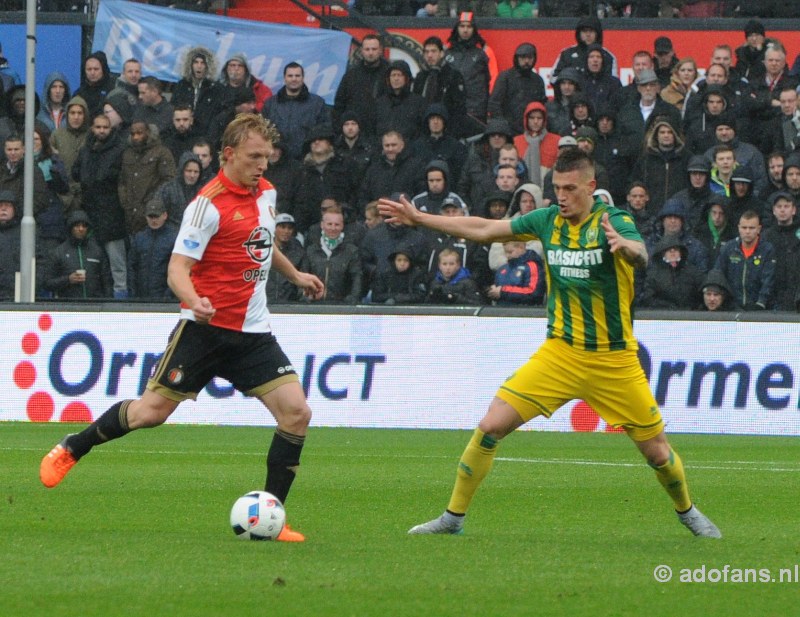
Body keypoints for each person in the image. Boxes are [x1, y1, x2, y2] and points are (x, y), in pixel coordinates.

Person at [378, 148, 721, 538]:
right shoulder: (547, 220)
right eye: (556, 187)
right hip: (559, 353)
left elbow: (640, 253)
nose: (561, 195)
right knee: (491, 425)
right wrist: (421, 218)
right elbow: (487, 229)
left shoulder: (614, 220)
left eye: (570, 188)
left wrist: (629, 249)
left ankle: (687, 511)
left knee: (657, 452)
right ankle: (452, 519)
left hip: (613, 360)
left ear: (591, 186)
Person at [40, 114, 325, 544]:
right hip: (204, 331)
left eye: (266, 156)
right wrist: (194, 301)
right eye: (254, 157)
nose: (263, 165)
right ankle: (73, 446)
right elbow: (178, 269)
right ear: (229, 155)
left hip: (253, 334)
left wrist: (296, 274)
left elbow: (264, 247)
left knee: (297, 413)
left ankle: (272, 516)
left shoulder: (266, 193)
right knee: (149, 413)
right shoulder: (206, 205)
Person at [72, 113, 128, 298]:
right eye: (98, 127)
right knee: (92, 262)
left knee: (117, 264)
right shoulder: (85, 150)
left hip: (112, 215)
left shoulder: (120, 149)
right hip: (90, 213)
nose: (102, 130)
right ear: (92, 128)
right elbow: (76, 173)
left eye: (105, 127)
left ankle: (121, 297)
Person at [262, 62, 330, 161]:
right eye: (290, 76)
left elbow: (324, 131)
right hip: (276, 161)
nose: (294, 79)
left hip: (306, 161)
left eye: (297, 76)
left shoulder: (317, 104)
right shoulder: (270, 104)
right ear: (284, 78)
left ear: (303, 78)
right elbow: (262, 131)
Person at [119, 120, 177, 235]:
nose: (135, 137)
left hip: (153, 212)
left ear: (148, 133)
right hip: (131, 213)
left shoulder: (161, 152)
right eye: (133, 134)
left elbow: (169, 180)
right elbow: (122, 181)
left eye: (139, 133)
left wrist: (152, 201)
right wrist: (125, 201)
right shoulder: (127, 154)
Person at [42, 209, 113, 300]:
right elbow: (47, 283)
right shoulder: (59, 252)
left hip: (95, 307)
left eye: (84, 226)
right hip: (69, 308)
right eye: (77, 226)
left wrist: (107, 304)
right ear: (70, 228)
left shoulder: (97, 251)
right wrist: (68, 279)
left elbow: (107, 281)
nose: (81, 229)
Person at [715, 210, 776, 310]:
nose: (747, 231)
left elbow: (768, 280)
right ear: (739, 228)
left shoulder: (767, 250)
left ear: (759, 229)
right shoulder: (728, 248)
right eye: (744, 227)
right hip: (732, 308)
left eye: (751, 228)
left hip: (760, 309)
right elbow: (718, 275)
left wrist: (761, 303)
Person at [333, 33, 389, 140]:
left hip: (381, 134)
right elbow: (339, 105)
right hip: (354, 135)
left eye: (374, 49)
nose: (370, 53)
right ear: (362, 51)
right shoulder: (351, 75)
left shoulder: (389, 74)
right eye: (367, 49)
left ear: (380, 50)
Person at [302, 206, 362, 304]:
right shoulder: (311, 251)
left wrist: (352, 299)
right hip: (313, 307)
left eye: (337, 224)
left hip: (341, 307)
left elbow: (357, 278)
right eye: (329, 224)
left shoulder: (351, 252)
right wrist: (304, 296)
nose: (333, 228)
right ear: (322, 225)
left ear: (342, 226)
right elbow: (303, 276)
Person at [488, 42, 546, 137]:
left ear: (534, 59)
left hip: (531, 131)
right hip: (508, 131)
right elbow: (494, 103)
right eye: (523, 58)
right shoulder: (505, 77)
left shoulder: (538, 80)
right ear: (516, 59)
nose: (526, 61)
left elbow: (541, 106)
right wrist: (503, 126)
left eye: (530, 58)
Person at [126, 196, 179, 301]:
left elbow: (177, 268)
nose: (154, 220)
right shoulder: (139, 237)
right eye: (151, 216)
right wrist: (133, 293)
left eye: (156, 216)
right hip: (141, 297)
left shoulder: (174, 238)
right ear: (146, 217)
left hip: (166, 299)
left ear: (165, 215)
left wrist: (169, 294)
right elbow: (132, 267)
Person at [171, 46, 222, 136]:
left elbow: (216, 116)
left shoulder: (215, 88)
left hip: (205, 134)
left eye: (202, 63)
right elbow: (174, 108)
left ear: (208, 66)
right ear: (190, 64)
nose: (199, 66)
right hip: (181, 134)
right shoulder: (181, 85)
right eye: (196, 62)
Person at [486, 239, 545, 306]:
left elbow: (533, 292)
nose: (507, 255)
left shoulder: (532, 267)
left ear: (521, 247)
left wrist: (503, 292)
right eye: (505, 252)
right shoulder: (503, 269)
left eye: (510, 252)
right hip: (502, 310)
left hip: (525, 311)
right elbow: (498, 288)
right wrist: (492, 291)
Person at [266, 213, 305, 304]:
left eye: (289, 228)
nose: (286, 231)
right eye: (282, 227)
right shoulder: (264, 250)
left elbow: (302, 278)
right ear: (274, 229)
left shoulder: (299, 253)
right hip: (266, 303)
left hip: (289, 305)